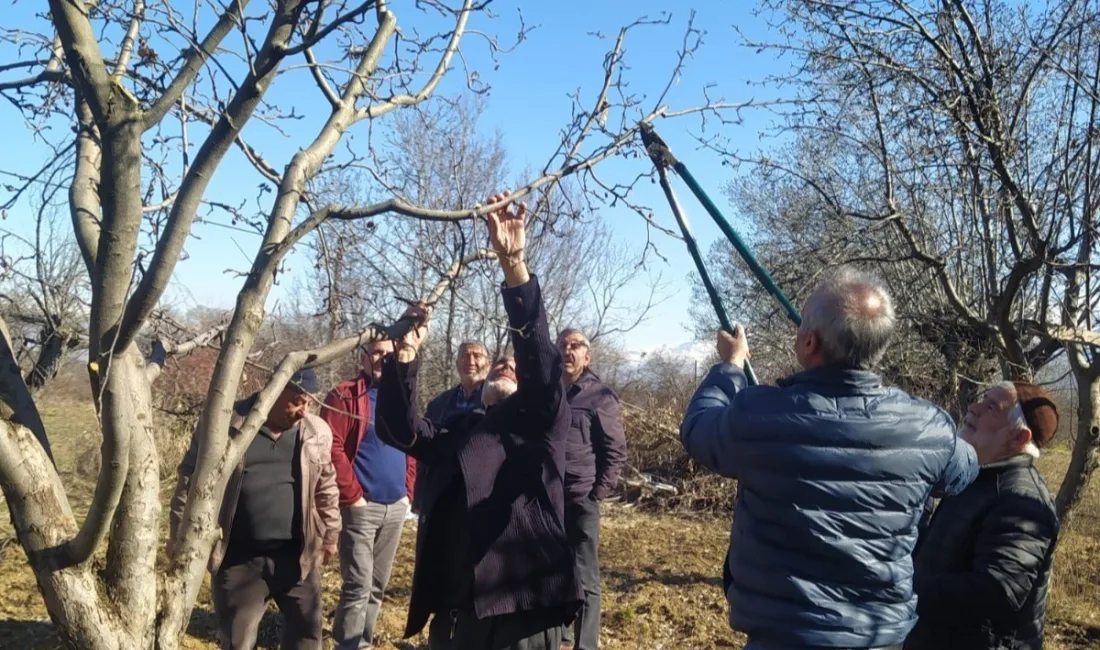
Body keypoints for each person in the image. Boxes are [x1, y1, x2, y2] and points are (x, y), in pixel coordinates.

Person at [679, 266, 979, 650]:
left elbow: (699, 428)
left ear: (808, 343)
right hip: (879, 638)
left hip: (784, 638)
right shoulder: (929, 428)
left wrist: (730, 366)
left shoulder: (759, 415)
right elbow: (964, 470)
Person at [374, 190, 582, 650]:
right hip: (457, 613)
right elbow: (398, 429)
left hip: (522, 615)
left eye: (513, 367)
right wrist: (404, 360)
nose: (505, 368)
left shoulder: (542, 424)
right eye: (498, 367)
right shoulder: (464, 431)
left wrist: (515, 270)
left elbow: (542, 370)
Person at [168, 368, 340, 650]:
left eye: (310, 402)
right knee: (237, 642)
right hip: (239, 560)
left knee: (308, 638)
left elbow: (326, 486)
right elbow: (190, 477)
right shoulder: (229, 424)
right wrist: (179, 534)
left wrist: (331, 533)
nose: (303, 411)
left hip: (296, 558)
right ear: (272, 390)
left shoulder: (314, 432)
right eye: (297, 401)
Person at [906, 382, 1060, 650]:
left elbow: (997, 591)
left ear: (1018, 438)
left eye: (991, 407)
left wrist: (905, 585)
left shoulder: (1021, 499)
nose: (973, 408)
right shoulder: (976, 476)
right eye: (982, 400)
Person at [323, 339, 417, 650]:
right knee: (358, 584)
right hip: (361, 506)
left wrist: (408, 493)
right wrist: (353, 496)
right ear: (363, 357)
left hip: (396, 507)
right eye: (376, 352)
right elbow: (332, 446)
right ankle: (346, 645)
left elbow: (411, 443)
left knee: (378, 584)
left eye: (388, 354)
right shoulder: (345, 395)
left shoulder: (399, 396)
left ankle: (362, 642)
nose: (382, 359)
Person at [556, 328, 627, 650]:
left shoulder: (599, 396)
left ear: (588, 356)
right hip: (545, 501)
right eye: (563, 345)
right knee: (554, 574)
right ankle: (562, 638)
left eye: (576, 346)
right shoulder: (547, 392)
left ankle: (585, 645)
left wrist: (595, 495)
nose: (568, 351)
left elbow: (615, 453)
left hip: (580, 499)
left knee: (585, 579)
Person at [414, 341, 491, 514]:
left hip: (481, 497)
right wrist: (420, 496)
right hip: (442, 494)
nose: (470, 361)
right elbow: (423, 450)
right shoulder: (439, 404)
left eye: (477, 356)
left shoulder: (498, 400)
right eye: (464, 356)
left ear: (488, 363)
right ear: (457, 364)